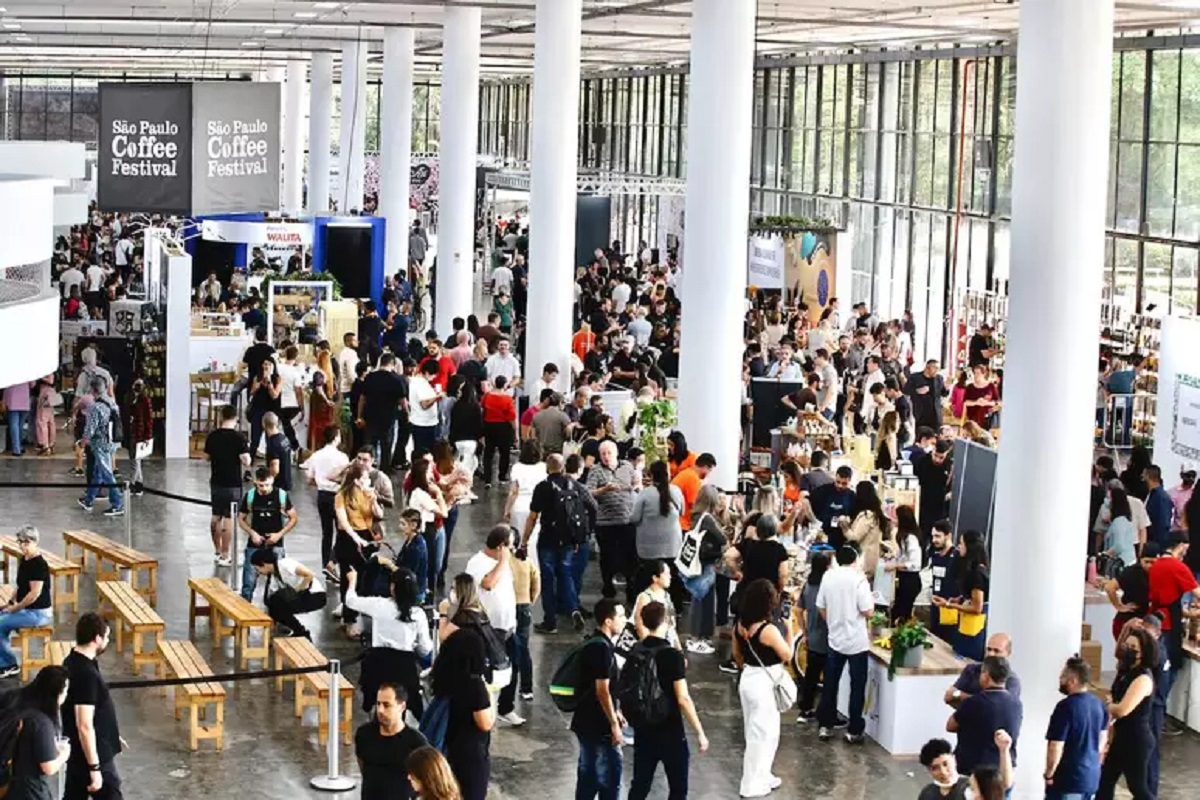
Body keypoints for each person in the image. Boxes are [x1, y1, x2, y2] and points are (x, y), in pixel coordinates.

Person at [625, 601, 708, 800]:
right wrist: (700, 732)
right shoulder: (672, 655)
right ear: (667, 622)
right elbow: (683, 698)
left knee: (639, 786)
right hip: (671, 731)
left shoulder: (636, 651)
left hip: (643, 729)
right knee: (678, 790)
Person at [732, 579, 797, 798]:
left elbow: (738, 657)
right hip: (764, 683)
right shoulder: (768, 630)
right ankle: (751, 784)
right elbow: (787, 655)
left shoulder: (740, 625)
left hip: (749, 678)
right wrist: (789, 629)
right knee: (762, 735)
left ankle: (764, 774)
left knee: (759, 731)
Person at [522, 454, 598, 634]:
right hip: (569, 540)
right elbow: (591, 506)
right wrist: (584, 533)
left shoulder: (542, 487)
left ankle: (550, 622)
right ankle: (573, 609)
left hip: (548, 538)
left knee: (548, 580)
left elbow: (533, 517)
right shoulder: (574, 485)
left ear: (547, 468)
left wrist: (524, 541)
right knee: (566, 575)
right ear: (563, 468)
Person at [346, 565, 433, 716]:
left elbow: (350, 601)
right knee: (402, 706)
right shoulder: (418, 615)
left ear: (392, 587)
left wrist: (352, 580)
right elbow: (425, 648)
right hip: (404, 669)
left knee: (377, 704)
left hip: (378, 665)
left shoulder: (379, 605)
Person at [465, 525, 524, 727]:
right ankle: (484, 707)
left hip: (508, 626)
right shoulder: (478, 562)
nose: (513, 550)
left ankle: (507, 707)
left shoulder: (503, 562)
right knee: (488, 670)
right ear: (500, 546)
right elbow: (488, 583)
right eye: (510, 546)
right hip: (488, 629)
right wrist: (503, 561)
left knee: (514, 666)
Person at [62, 613, 125, 800]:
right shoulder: (86, 674)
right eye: (107, 637)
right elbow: (84, 724)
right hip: (92, 755)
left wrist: (111, 732)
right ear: (97, 639)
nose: (108, 641)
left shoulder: (74, 660)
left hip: (85, 750)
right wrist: (94, 768)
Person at [572, 598, 628, 800]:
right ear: (608, 621)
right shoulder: (601, 648)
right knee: (605, 778)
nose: (625, 620)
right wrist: (613, 723)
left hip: (589, 720)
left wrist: (617, 711)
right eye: (620, 616)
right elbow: (602, 690)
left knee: (590, 774)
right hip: (596, 723)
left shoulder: (598, 644)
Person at [430, 623, 494, 800]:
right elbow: (485, 723)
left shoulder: (445, 680)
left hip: (448, 749)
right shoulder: (474, 686)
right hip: (471, 756)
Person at [816, 544, 873, 743]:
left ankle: (825, 725)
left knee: (830, 684)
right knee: (857, 686)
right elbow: (868, 611)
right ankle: (854, 729)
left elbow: (821, 606)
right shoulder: (859, 580)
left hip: (835, 639)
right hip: (857, 642)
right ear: (856, 559)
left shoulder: (828, 576)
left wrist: (832, 621)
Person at [1096, 625, 1157, 800]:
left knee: (1138, 788)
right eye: (1126, 646)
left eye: (1133, 648)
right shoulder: (1125, 671)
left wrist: (1109, 705)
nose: (1127, 651)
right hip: (1122, 737)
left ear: (1143, 653)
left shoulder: (1143, 678)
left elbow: (1122, 709)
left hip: (1136, 741)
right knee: (1104, 781)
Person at [1044, 655, 1108, 800]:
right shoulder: (1099, 704)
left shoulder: (1065, 707)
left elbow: (1056, 746)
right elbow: (1102, 741)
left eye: (1063, 677)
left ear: (1073, 681)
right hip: (1091, 777)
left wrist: (1049, 774)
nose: (1060, 680)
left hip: (1069, 780)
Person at [946, 656, 1023, 775]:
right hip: (1003, 770)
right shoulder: (1017, 704)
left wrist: (960, 698)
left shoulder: (973, 703)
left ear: (986, 675)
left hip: (973, 771)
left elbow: (950, 726)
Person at [4, 665, 72, 800]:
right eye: (64, 691)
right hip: (32, 791)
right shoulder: (42, 723)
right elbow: (49, 767)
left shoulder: (23, 709)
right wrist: (64, 755)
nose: (66, 695)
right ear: (55, 694)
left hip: (15, 786)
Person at [335, 462, 385, 637]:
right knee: (348, 578)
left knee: (364, 578)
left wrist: (373, 500)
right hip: (349, 538)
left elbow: (379, 515)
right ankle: (349, 617)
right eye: (364, 478)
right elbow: (343, 522)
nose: (367, 481)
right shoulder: (342, 496)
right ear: (356, 480)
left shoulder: (368, 494)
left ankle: (358, 611)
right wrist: (356, 538)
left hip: (367, 535)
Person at [354, 683, 428, 800]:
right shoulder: (364, 734)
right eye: (378, 704)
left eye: (386, 705)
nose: (380, 710)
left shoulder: (416, 742)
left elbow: (426, 780)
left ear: (402, 707)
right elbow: (362, 764)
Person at [586, 441, 638, 600]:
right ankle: (608, 589)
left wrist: (635, 486)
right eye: (603, 454)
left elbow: (636, 481)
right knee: (608, 557)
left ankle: (631, 588)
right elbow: (588, 493)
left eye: (609, 453)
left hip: (627, 520)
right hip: (606, 523)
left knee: (630, 556)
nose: (606, 457)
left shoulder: (627, 466)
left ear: (616, 453)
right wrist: (605, 489)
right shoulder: (596, 470)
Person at [0, 526, 54, 678]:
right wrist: (10, 601)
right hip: (27, 609)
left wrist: (15, 608)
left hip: (38, 613)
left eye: (26, 543)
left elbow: (34, 594)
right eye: (20, 542)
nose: (22, 546)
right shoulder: (24, 559)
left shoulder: (39, 565)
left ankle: (9, 664)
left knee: (0, 623)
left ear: (35, 542)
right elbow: (21, 585)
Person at [237, 467, 298, 602]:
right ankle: (244, 610)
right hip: (255, 543)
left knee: (278, 581)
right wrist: (252, 533)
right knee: (248, 582)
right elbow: (241, 518)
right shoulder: (250, 496)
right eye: (260, 485)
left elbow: (293, 517)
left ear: (272, 481)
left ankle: (276, 611)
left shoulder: (281, 496)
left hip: (276, 544)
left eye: (267, 485)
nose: (264, 488)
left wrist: (279, 534)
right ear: (255, 482)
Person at [301, 426, 351, 585]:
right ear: (336, 437)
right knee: (343, 532)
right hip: (337, 496)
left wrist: (320, 482)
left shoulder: (315, 455)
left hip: (322, 495)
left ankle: (326, 566)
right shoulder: (342, 457)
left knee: (326, 532)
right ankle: (333, 561)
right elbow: (345, 478)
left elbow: (309, 479)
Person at [933, 529, 990, 660]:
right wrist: (958, 599)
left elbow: (977, 607)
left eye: (961, 544)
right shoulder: (976, 570)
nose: (959, 547)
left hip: (974, 630)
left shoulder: (977, 573)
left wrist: (949, 605)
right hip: (967, 626)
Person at [203, 404, 250, 566]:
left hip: (216, 481)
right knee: (230, 518)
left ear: (221, 417)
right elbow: (246, 460)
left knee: (216, 516)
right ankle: (225, 554)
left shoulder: (212, 436)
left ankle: (217, 551)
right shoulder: (239, 438)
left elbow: (207, 457)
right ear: (236, 418)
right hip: (233, 483)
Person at [249, 548, 325, 639]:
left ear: (264, 564)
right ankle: (298, 631)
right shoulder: (274, 576)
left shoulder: (286, 564)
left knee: (278, 604)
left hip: (315, 595)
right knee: (274, 602)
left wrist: (299, 590)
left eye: (258, 569)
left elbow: (309, 574)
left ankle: (301, 632)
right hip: (302, 596)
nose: (258, 572)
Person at [76, 376, 124, 517]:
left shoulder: (95, 407)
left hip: (100, 444)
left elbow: (90, 429)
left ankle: (118, 504)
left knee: (107, 474)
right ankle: (89, 499)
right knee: (98, 472)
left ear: (92, 389)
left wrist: (83, 442)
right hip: (112, 442)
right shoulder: (112, 403)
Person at [630, 460, 684, 580]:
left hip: (648, 548)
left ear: (652, 475)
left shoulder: (645, 493)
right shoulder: (676, 491)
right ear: (668, 474)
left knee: (649, 579)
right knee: (672, 578)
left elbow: (634, 518)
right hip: (672, 546)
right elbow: (682, 512)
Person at [944, 634, 1022, 708]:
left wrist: (961, 696)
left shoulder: (1012, 681)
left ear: (1008, 653)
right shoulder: (972, 669)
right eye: (989, 649)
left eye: (996, 651)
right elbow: (948, 697)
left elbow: (1001, 708)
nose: (991, 654)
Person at [885, 505, 922, 623]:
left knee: (902, 613)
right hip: (904, 578)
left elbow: (914, 563)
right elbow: (902, 555)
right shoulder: (903, 536)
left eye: (895, 518)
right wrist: (893, 556)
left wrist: (895, 565)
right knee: (898, 611)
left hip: (911, 579)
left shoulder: (911, 538)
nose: (893, 520)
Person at [480, 376, 518, 487]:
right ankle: (502, 477)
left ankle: (487, 479)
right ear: (505, 384)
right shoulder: (507, 399)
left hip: (489, 426)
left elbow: (482, 409)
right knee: (504, 453)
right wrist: (515, 433)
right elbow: (511, 418)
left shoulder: (487, 396)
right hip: (503, 427)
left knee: (488, 453)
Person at [408, 360, 444, 453]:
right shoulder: (420, 384)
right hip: (424, 424)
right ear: (427, 373)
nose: (434, 377)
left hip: (422, 422)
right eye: (433, 374)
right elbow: (424, 404)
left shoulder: (418, 382)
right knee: (424, 452)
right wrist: (437, 398)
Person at [907, 359, 947, 433]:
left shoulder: (939, 378)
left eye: (938, 368)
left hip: (935, 415)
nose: (937, 370)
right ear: (927, 367)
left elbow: (944, 393)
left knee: (936, 437)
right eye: (935, 368)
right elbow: (906, 391)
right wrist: (917, 391)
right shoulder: (915, 377)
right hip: (921, 415)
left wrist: (947, 389)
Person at [1143, 464, 1173, 548]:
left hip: (1156, 543)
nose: (1142, 477)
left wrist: (1159, 546)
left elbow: (1163, 523)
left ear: (1148, 476)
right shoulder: (1152, 494)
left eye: (1144, 474)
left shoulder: (1161, 497)